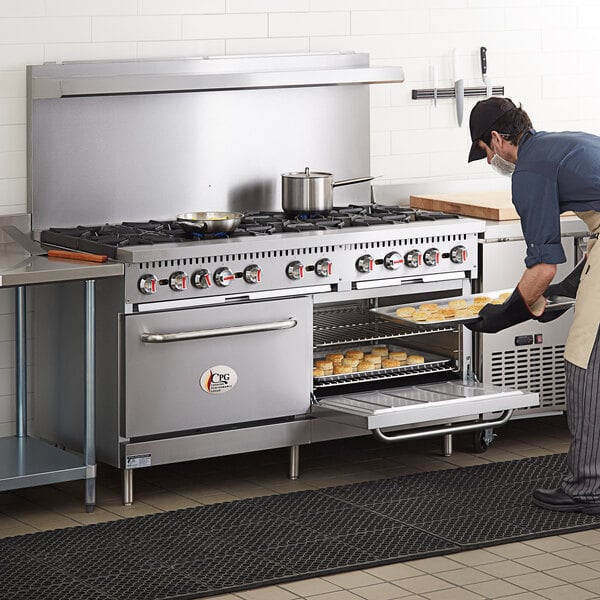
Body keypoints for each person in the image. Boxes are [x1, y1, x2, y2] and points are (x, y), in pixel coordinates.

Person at [466, 97, 600, 514]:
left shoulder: (529, 170)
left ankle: (588, 487)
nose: (491, 161)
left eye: (486, 153)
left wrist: (507, 314)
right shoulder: (564, 143)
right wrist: (577, 281)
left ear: (496, 140)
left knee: (585, 357)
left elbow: (542, 265)